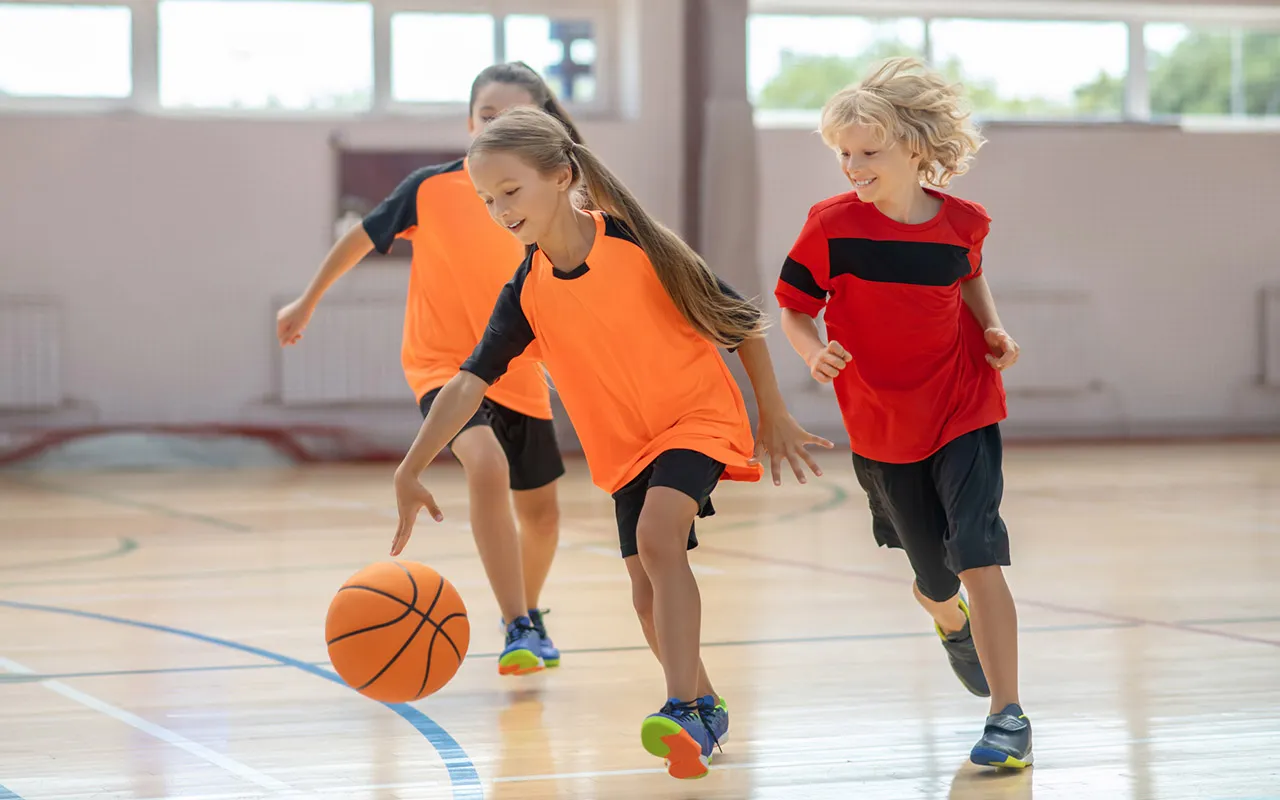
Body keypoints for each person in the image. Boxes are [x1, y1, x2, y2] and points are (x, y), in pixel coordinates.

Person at [388, 106, 831, 780]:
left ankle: (682, 702)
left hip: (695, 418)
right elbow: (468, 383)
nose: (499, 209)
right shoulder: (526, 292)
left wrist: (770, 412)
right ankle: (706, 703)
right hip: (624, 450)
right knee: (644, 591)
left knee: (659, 541)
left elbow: (740, 321)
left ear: (561, 175)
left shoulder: (636, 243)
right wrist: (411, 466)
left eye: (511, 191)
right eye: (486, 199)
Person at [275, 63, 584, 676]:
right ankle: (518, 623)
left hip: (520, 370)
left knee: (543, 516)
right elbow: (360, 239)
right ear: (470, 123)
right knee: (486, 464)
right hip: (442, 364)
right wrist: (307, 299)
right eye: (487, 116)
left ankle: (528, 611)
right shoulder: (432, 189)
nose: (496, 125)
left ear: (541, 127)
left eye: (514, 117)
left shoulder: (553, 198)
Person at [773, 58, 1031, 769]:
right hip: (882, 425)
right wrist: (811, 351)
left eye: (868, 152)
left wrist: (992, 331)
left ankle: (1008, 716)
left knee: (978, 549)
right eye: (844, 154)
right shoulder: (830, 227)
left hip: (963, 403)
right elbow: (794, 309)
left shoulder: (964, 222)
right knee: (937, 575)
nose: (853, 166)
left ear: (915, 147)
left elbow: (969, 277)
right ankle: (949, 620)